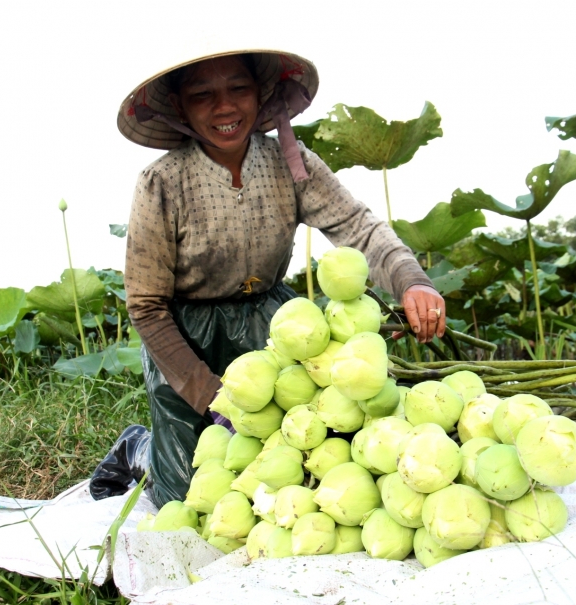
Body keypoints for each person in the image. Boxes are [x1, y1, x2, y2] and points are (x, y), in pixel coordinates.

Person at [89, 46, 446, 507]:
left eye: (238, 88)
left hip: (272, 323)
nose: (224, 107)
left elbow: (357, 227)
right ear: (179, 107)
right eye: (203, 94)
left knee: (297, 458)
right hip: (185, 333)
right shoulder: (163, 183)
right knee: (188, 494)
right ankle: (139, 447)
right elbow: (146, 306)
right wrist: (208, 391)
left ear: (262, 94)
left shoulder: (290, 163)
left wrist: (411, 279)